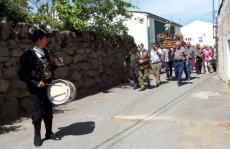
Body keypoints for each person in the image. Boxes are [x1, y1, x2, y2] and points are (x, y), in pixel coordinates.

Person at [18, 29, 64, 147]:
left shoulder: (45, 52)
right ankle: (37, 136)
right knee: (38, 112)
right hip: (37, 89)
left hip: (48, 86)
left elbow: (47, 71)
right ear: (39, 40)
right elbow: (22, 73)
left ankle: (49, 132)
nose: (46, 40)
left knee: (48, 110)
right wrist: (35, 82)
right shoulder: (28, 55)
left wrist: (55, 65)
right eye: (45, 38)